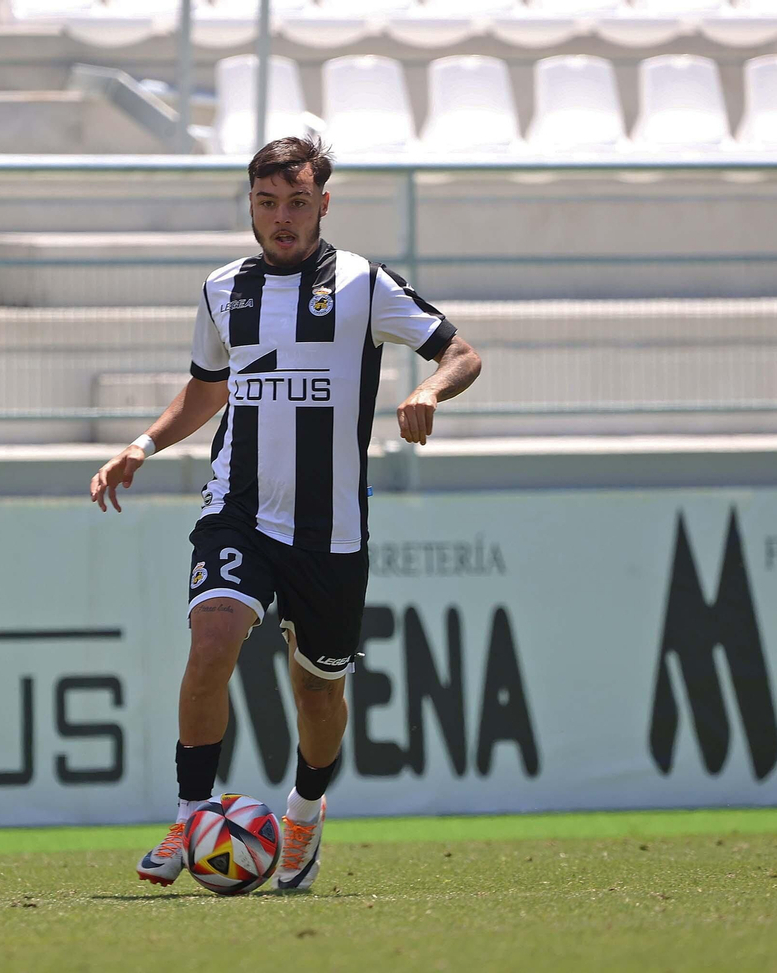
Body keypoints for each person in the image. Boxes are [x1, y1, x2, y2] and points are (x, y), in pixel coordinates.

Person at [89, 136, 483, 892]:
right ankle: (190, 814)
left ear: (323, 204)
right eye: (267, 203)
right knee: (211, 644)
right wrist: (143, 443)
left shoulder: (365, 284)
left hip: (329, 530)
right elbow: (207, 390)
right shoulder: (222, 289)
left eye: (297, 203)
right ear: (250, 205)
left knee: (318, 692)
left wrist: (430, 391)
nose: (282, 218)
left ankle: (303, 811)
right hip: (239, 510)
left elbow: (462, 351)